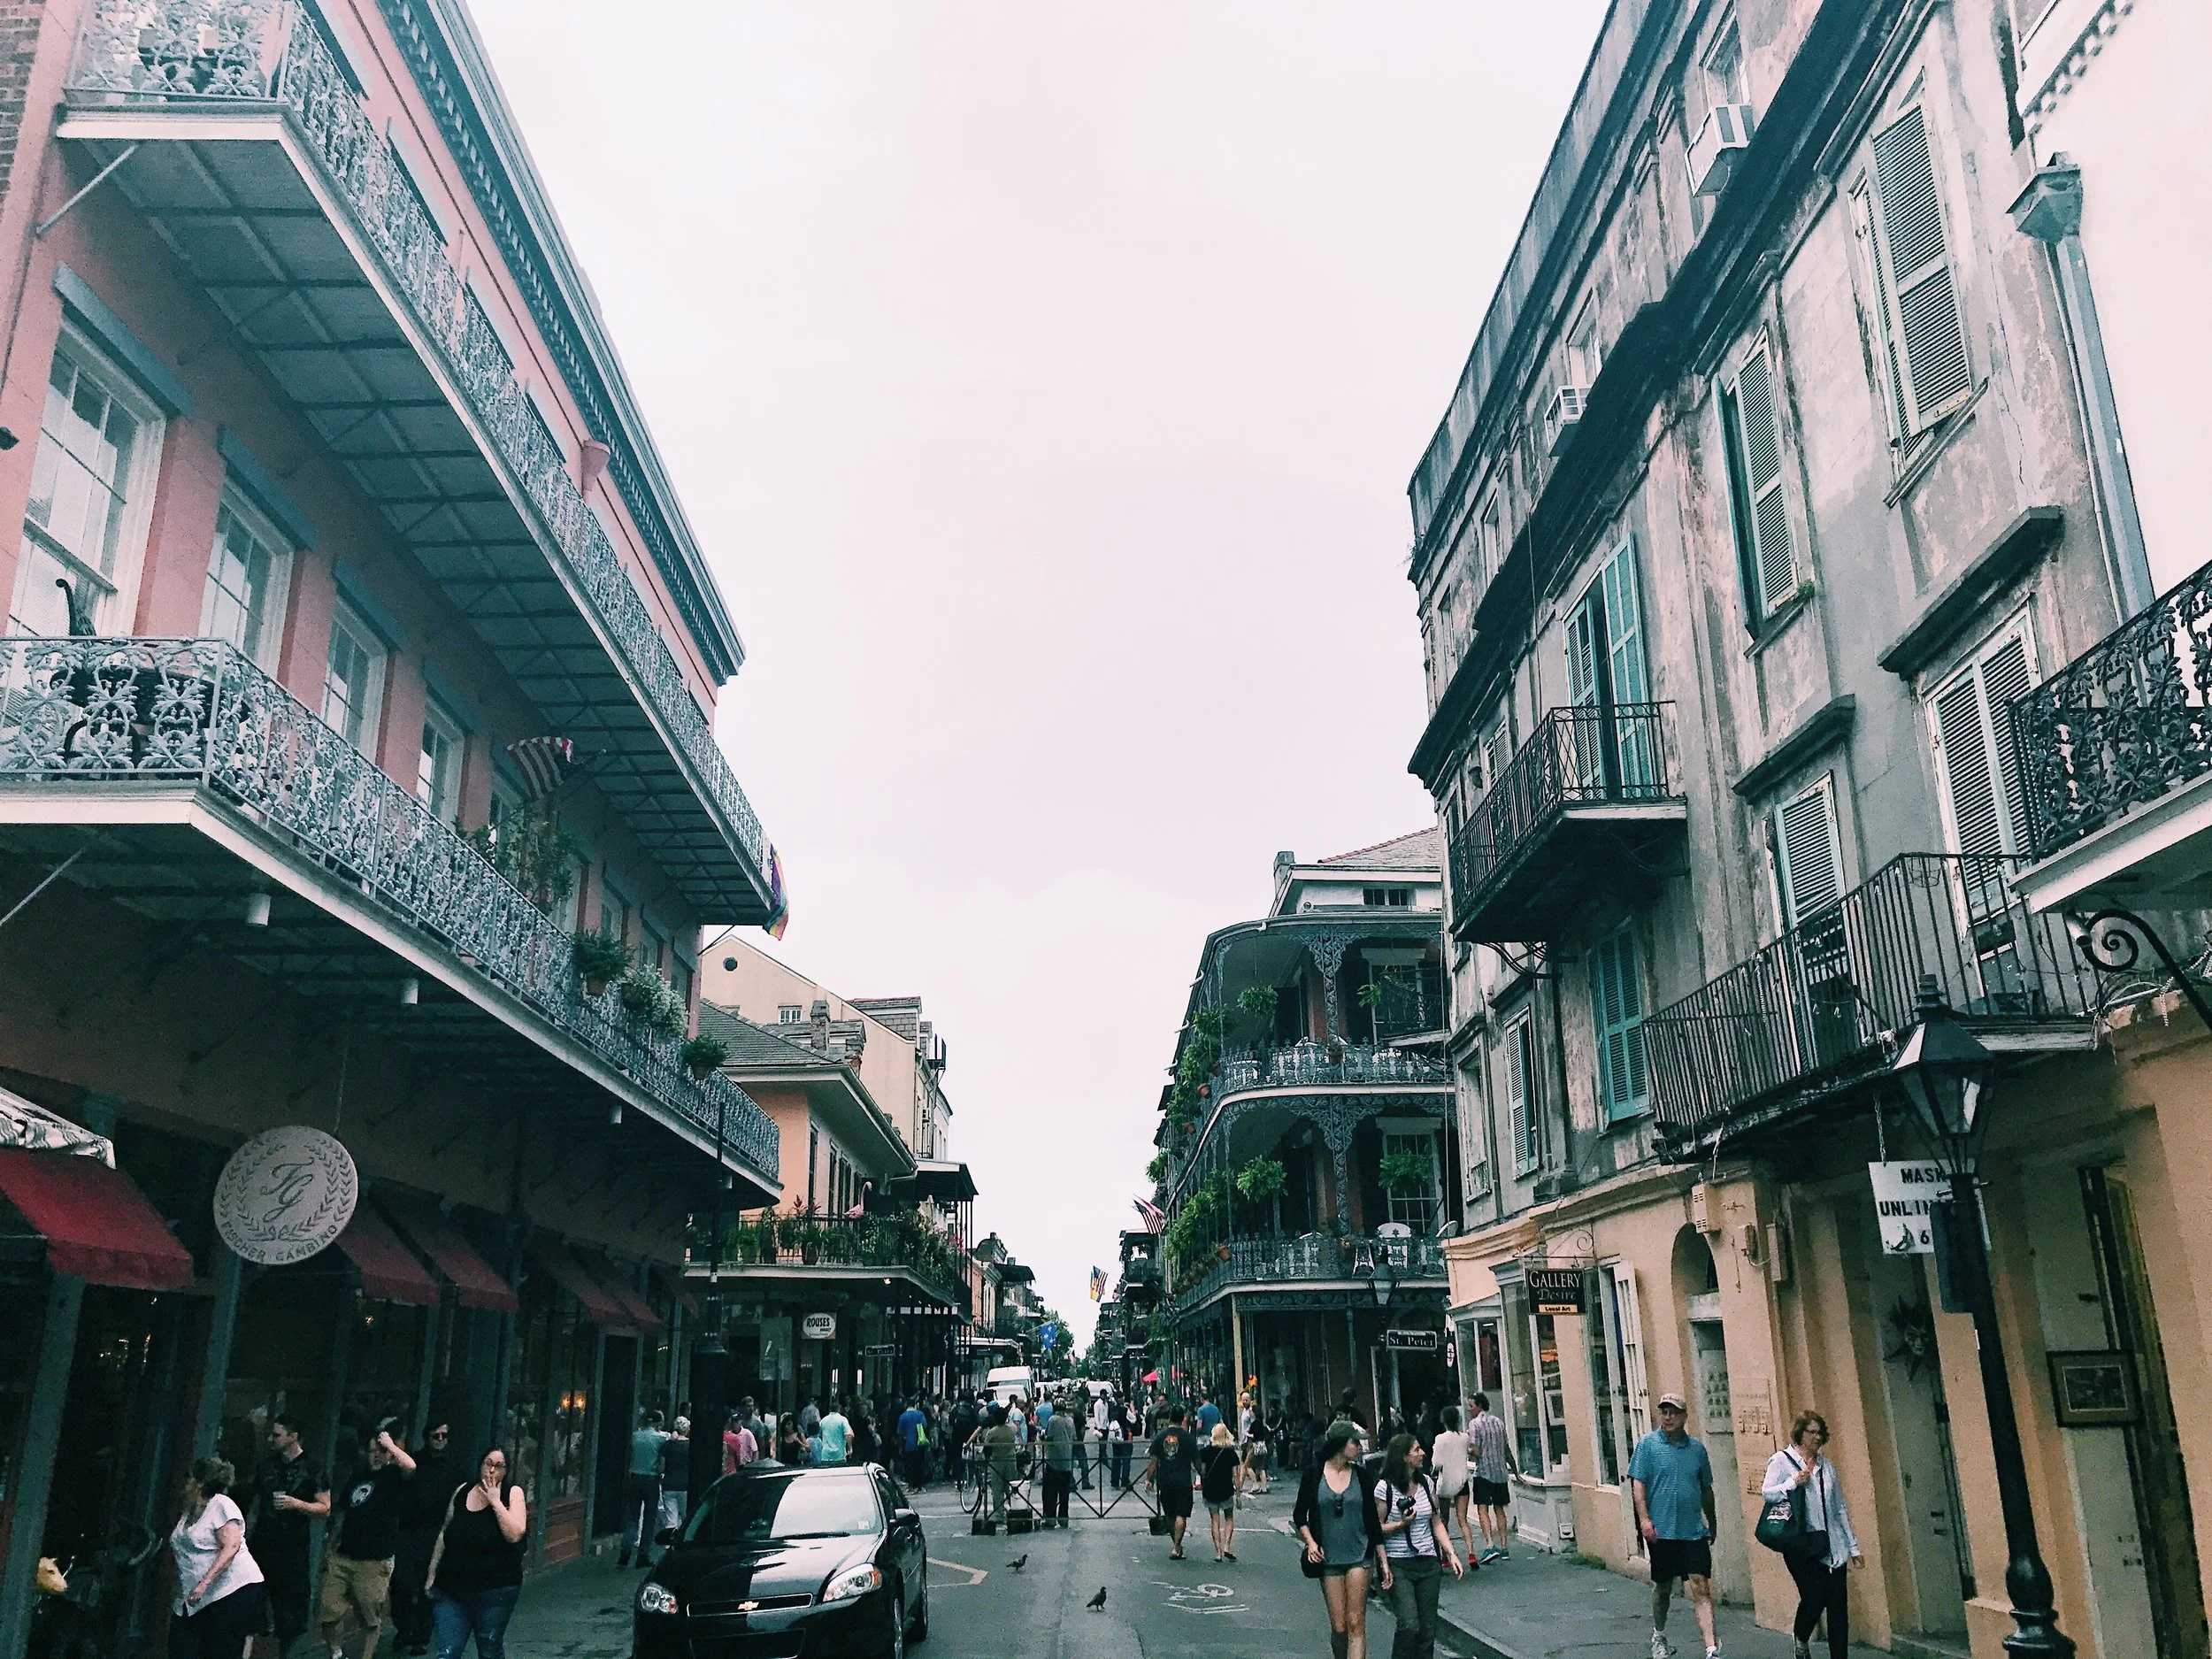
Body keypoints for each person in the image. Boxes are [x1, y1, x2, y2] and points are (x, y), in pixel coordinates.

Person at [1761, 1411, 1862, 1659]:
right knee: (1814, 1597)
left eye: (1820, 1433)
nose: (1817, 1437)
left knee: (1838, 1607)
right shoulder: (1782, 1461)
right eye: (1812, 1432)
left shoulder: (1828, 1467)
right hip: (1800, 1543)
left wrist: (1854, 1547)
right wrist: (1794, 1482)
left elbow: (1839, 1508)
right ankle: (1801, 1637)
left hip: (1833, 1545)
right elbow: (1768, 1493)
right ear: (1801, 1434)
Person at [1629, 1393, 1720, 1659]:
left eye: (1674, 1412)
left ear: (1684, 1416)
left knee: (1700, 1583)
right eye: (1664, 1412)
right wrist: (1644, 1519)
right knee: (1664, 1587)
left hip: (1692, 1529)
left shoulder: (1697, 1450)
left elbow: (1706, 1488)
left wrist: (1711, 1521)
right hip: (1663, 1530)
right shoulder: (1648, 1445)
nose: (1668, 1417)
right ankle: (1659, 1633)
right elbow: (1638, 1484)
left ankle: (1711, 1648)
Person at [319, 1421, 416, 1659]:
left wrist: (390, 1446)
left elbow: (410, 1466)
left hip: (374, 1560)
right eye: (371, 1451)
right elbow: (343, 1513)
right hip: (344, 1555)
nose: (375, 1457)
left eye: (379, 1452)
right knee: (328, 1612)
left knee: (370, 1617)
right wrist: (331, 1546)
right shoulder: (357, 1477)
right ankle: (337, 1653)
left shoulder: (393, 1476)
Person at [1295, 1422, 1389, 1659]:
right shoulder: (1314, 1474)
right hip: (1328, 1559)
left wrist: (1383, 1561)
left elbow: (1372, 1521)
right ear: (1340, 1445)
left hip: (1359, 1555)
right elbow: (1300, 1515)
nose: (1359, 1447)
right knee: (1339, 1627)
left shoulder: (1362, 1476)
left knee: (1356, 1621)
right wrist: (1311, 1543)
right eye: (1354, 1442)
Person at [424, 1446, 526, 1659]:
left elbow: (515, 1534)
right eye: (488, 1464)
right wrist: (432, 1574)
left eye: (499, 1466)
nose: (491, 1471)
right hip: (451, 1590)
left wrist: (496, 1502)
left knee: (489, 1649)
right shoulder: (462, 1491)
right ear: (480, 1466)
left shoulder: (512, 1493)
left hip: (494, 1591)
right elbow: (445, 1532)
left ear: (505, 1471)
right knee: (446, 1652)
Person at [1375, 1432, 1463, 1659]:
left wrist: (1450, 1553)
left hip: (1428, 1563)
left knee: (1427, 1629)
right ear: (1404, 1457)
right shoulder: (1385, 1488)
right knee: (1409, 1624)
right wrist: (1401, 1524)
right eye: (1416, 1450)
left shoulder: (1426, 1483)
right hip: (1399, 1563)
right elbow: (1377, 1528)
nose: (1422, 1453)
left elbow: (1436, 1520)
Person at [250, 1414, 328, 1659]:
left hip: (292, 1548)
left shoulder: (312, 1467)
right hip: (263, 1544)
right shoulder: (267, 1466)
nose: (272, 1439)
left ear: (293, 1437)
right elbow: (255, 1504)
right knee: (253, 1606)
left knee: (290, 1612)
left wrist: (297, 1504)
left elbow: (325, 1507)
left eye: (277, 1435)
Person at [171, 1455, 265, 1659]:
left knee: (220, 1650)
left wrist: (203, 1584)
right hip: (196, 1597)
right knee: (181, 1645)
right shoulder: (190, 1509)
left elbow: (231, 1546)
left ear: (200, 1483)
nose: (184, 1483)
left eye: (189, 1478)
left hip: (231, 1589)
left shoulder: (220, 1504)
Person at [393, 1421, 458, 1656]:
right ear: (427, 1437)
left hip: (436, 1531)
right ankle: (405, 1628)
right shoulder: (414, 1462)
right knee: (401, 1583)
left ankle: (421, 1635)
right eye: (435, 1436)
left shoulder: (452, 1466)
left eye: (444, 1436)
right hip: (409, 1530)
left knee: (427, 1585)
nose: (440, 1440)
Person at [1144, 1404, 1199, 1561]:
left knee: (1169, 1514)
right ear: (1182, 1419)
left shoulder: (1160, 1437)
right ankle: (1177, 1546)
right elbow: (1196, 1460)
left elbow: (1153, 1461)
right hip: (1183, 1480)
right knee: (1182, 1514)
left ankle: (1175, 1543)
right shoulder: (1188, 1438)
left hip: (1165, 1480)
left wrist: (1149, 1479)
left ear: (1169, 1418)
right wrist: (1204, 1477)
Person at [1468, 1392, 1517, 1563]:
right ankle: (1504, 1547)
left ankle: (1490, 1545)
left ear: (1479, 1406)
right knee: (1499, 1509)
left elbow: (1475, 1450)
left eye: (1471, 1406)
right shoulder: (1499, 1422)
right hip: (1500, 1472)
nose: (1469, 1409)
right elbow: (1506, 1448)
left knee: (1483, 1509)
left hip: (1483, 1472)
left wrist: (1468, 1450)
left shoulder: (1474, 1424)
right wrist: (1515, 1471)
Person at [617, 1410, 665, 1570]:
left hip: (635, 1477)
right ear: (658, 1423)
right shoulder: (660, 1439)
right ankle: (643, 1555)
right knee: (649, 1519)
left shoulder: (635, 1436)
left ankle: (625, 1551)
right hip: (651, 1479)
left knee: (632, 1516)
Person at [1430, 1406, 1474, 1570]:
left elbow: (1437, 1463)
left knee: (1444, 1520)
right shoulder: (1464, 1438)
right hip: (1462, 1481)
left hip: (1446, 1483)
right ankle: (1471, 1553)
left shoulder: (1440, 1439)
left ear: (1443, 1421)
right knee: (1463, 1519)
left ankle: (1446, 1556)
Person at [1200, 1423, 1243, 1563]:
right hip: (1226, 1489)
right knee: (1229, 1517)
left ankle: (1218, 1552)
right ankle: (1227, 1546)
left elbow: (1203, 1472)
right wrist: (1238, 1493)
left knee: (1214, 1520)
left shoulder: (1205, 1452)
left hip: (1211, 1489)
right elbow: (1236, 1475)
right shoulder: (1231, 1453)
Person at [980, 1405, 1019, 1525]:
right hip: (1011, 1459)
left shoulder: (993, 1432)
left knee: (997, 1488)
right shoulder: (1012, 1428)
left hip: (997, 1461)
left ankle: (999, 1513)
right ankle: (1015, 1510)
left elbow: (986, 1447)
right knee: (1012, 1486)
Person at [657, 1418, 691, 1550]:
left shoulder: (668, 1445)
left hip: (669, 1484)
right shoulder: (690, 1446)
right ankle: (684, 1542)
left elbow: (661, 1466)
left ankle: (669, 1544)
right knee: (686, 1516)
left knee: (671, 1518)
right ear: (687, 1429)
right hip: (685, 1485)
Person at [1041, 1397, 1076, 1527]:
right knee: (1064, 1493)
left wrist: (1042, 1436)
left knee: (1050, 1492)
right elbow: (1074, 1437)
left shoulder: (1053, 1420)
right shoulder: (1070, 1420)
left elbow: (1049, 1437)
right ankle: (1063, 1519)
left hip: (1053, 1461)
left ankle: (1050, 1519)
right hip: (1067, 1461)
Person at [897, 1397, 929, 1489]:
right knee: (919, 1464)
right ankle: (919, 1486)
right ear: (915, 1405)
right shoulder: (920, 1414)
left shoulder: (903, 1416)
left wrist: (900, 1447)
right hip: (920, 1443)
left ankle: (911, 1485)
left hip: (908, 1444)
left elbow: (900, 1433)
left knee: (909, 1465)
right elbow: (925, 1426)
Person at [722, 1408, 757, 1475]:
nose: (735, 1423)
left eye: (737, 1421)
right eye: (734, 1421)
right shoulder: (730, 1436)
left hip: (746, 1464)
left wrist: (753, 1465)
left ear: (740, 1421)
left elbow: (755, 1450)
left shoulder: (747, 1433)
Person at [817, 1399, 851, 1466]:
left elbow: (819, 1435)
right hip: (839, 1455)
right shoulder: (843, 1420)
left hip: (826, 1455)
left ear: (830, 1409)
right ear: (839, 1409)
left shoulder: (823, 1420)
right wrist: (850, 1448)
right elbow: (847, 1435)